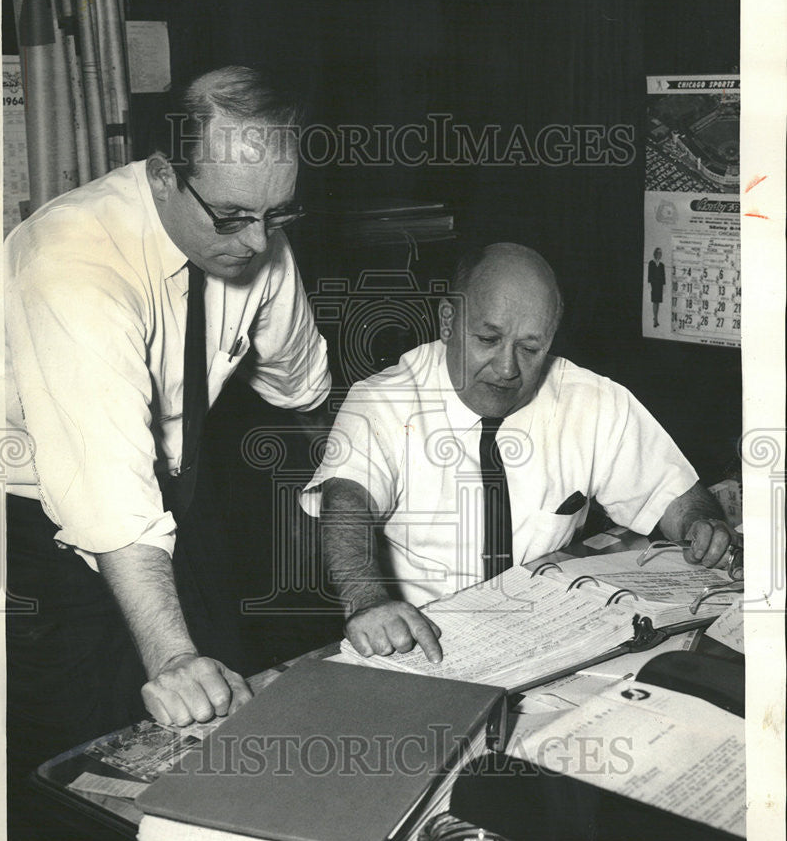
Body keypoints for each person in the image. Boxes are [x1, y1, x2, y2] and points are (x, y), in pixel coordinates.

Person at [5, 66, 331, 768]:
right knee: (88, 760)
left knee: (233, 729)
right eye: (235, 217)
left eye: (279, 215)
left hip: (178, 493)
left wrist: (344, 533)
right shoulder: (73, 261)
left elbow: (304, 385)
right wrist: (174, 655)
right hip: (40, 525)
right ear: (161, 177)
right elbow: (108, 501)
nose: (256, 244)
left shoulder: (255, 228)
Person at [301, 243, 737, 663]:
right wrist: (368, 600)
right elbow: (347, 499)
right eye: (488, 339)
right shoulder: (383, 401)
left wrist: (701, 524)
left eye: (530, 349)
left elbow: (675, 495)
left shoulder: (591, 399)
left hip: (552, 630)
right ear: (448, 322)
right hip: (431, 637)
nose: (508, 369)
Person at [648, 246, 666, 327]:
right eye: (658, 253)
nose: (660, 254)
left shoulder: (662, 265)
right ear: (655, 253)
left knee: (658, 303)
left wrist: (664, 287)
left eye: (661, 253)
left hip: (660, 286)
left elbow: (663, 276)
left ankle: (656, 318)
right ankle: (655, 319)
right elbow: (649, 275)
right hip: (654, 286)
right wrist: (650, 285)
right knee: (655, 302)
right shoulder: (651, 263)